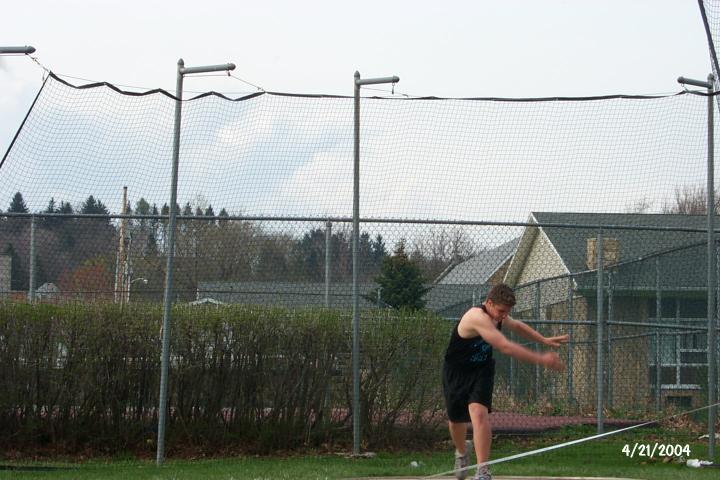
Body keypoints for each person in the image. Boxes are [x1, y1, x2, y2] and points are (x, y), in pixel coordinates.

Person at [442, 283, 568, 480]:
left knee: (479, 413)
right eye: (501, 311)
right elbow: (505, 346)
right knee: (456, 420)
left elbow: (517, 326)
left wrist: (543, 340)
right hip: (457, 371)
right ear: (489, 303)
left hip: (481, 369)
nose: (504, 316)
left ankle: (482, 471)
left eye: (507, 312)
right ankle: (462, 452)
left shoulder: (498, 315)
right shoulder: (477, 317)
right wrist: (541, 359)